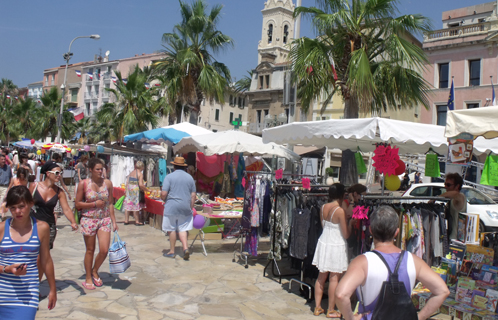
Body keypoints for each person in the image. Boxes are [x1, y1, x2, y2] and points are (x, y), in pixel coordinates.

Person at [335, 206, 449, 320]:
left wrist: (351, 318)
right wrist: (419, 317)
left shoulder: (362, 262)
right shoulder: (414, 261)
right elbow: (442, 291)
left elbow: (341, 295)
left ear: (371, 230)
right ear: (396, 232)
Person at [0, 186, 57, 318]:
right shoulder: (2, 229)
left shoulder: (42, 228)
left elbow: (46, 260)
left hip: (27, 295)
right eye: (13, 208)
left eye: (21, 206)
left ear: (31, 204)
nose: (17, 211)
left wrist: (52, 289)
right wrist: (7, 269)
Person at [29, 161, 78, 281]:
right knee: (31, 255)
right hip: (32, 225)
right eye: (57, 172)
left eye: (60, 173)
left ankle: (36, 284)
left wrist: (73, 222)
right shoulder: (34, 186)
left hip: (48, 227)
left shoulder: (59, 192)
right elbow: (25, 204)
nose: (59, 175)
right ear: (47, 173)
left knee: (41, 257)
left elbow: (66, 208)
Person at [312, 183, 354, 318]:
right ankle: (331, 309)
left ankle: (317, 307)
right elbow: (346, 234)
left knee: (321, 276)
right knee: (334, 278)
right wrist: (351, 224)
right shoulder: (340, 211)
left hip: (324, 242)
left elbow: (324, 226)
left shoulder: (323, 207)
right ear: (342, 195)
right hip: (336, 244)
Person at [75, 158, 118, 290]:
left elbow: (110, 203)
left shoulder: (108, 183)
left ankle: (95, 270)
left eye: (102, 169)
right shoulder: (84, 184)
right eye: (98, 169)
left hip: (104, 219)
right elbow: (77, 204)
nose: (100, 171)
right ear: (91, 170)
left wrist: (113, 220)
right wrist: (94, 204)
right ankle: (88, 276)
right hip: (89, 219)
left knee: (104, 249)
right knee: (90, 250)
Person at [161, 157, 196, 260]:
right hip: (185, 207)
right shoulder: (190, 178)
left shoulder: (169, 177)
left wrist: (163, 199)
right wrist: (191, 207)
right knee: (183, 229)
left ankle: (172, 251)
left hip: (171, 207)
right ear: (184, 167)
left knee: (171, 229)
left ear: (174, 166)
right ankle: (185, 248)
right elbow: (193, 195)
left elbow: (164, 193)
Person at [440, 172, 466, 240]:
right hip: (451, 238)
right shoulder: (452, 199)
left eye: (448, 185)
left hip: (455, 239)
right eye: (445, 184)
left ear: (457, 186)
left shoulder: (460, 196)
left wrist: (436, 198)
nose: (445, 187)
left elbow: (455, 194)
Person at [123, 161, 149, 226]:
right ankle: (137, 221)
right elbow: (140, 184)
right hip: (135, 190)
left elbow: (127, 182)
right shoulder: (140, 174)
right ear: (142, 167)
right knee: (135, 205)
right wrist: (146, 189)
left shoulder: (131, 173)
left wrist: (126, 190)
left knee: (128, 205)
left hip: (129, 189)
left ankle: (126, 220)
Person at [0, 154, 13, 221]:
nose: (3, 161)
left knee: (2, 202)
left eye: (4, 159)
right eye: (2, 159)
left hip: (5, 187)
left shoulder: (8, 168)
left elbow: (11, 179)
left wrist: (9, 188)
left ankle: (1, 217)